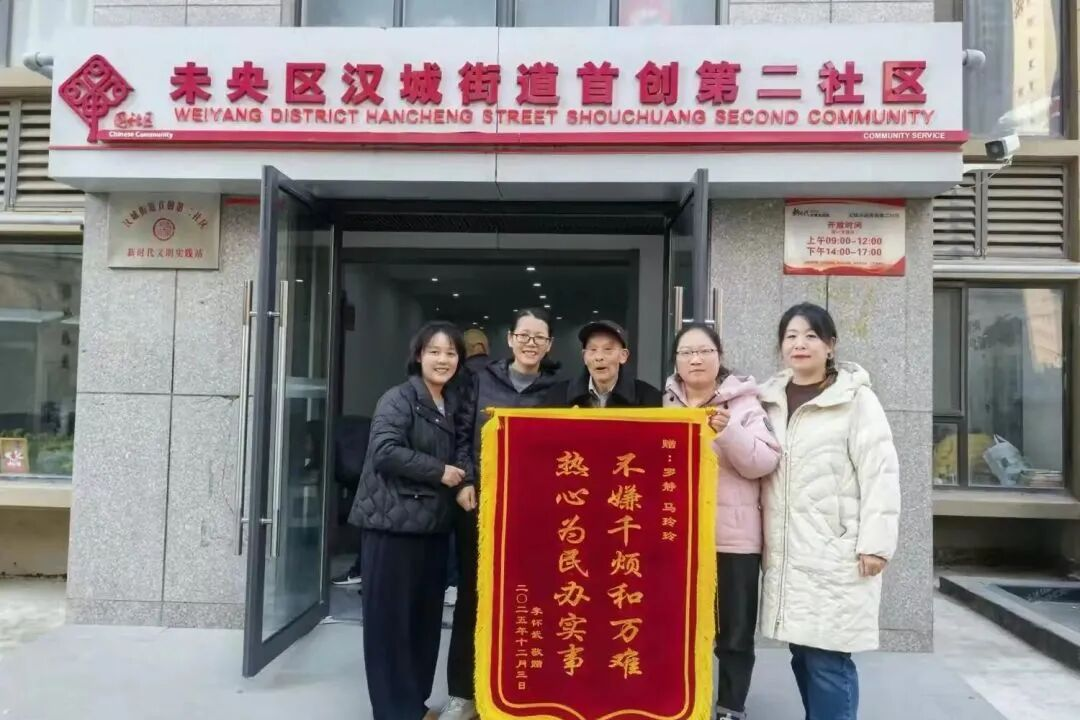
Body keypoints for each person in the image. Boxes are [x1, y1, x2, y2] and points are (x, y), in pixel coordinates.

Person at [758, 303, 901, 720]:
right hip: (787, 555)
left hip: (836, 551)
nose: (799, 344)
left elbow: (881, 473)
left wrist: (876, 545)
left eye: (810, 336)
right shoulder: (768, 400)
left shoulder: (856, 400)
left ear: (831, 345)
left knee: (828, 660)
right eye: (790, 336)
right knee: (803, 655)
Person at [348, 321, 472, 720]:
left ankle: (413, 705)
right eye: (434, 351)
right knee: (390, 626)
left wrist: (464, 480)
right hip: (392, 529)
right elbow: (384, 450)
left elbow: (463, 449)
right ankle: (393, 711)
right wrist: (440, 471)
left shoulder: (451, 402)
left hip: (431, 529)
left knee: (422, 623)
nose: (442, 360)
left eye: (450, 353)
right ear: (419, 356)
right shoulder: (399, 398)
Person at [441, 308, 561, 720]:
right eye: (523, 335)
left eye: (539, 337)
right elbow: (461, 435)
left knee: (530, 600)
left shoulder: (557, 390)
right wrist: (465, 482)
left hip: (534, 515)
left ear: (549, 345)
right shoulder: (479, 380)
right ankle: (463, 693)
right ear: (509, 339)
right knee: (473, 598)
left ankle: (523, 690)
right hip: (480, 507)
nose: (530, 343)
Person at [662, 323, 780, 720]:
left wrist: (729, 433)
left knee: (734, 634)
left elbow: (764, 462)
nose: (695, 359)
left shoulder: (745, 405)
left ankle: (730, 707)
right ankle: (681, 703)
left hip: (733, 542)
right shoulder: (665, 404)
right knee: (677, 631)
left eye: (704, 351)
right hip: (677, 540)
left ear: (719, 357)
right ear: (676, 361)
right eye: (686, 353)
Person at [544, 319, 662, 408]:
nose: (599, 357)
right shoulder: (558, 395)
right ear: (584, 357)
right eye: (593, 349)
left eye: (608, 349)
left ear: (623, 356)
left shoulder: (648, 398)